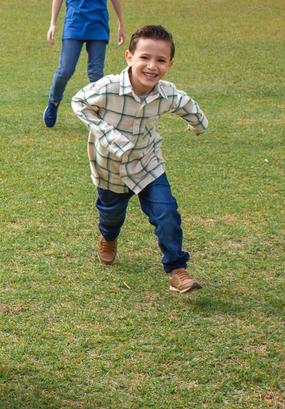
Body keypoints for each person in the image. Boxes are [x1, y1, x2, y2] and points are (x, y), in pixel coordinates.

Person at [70, 24, 208, 293]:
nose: (151, 66)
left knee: (167, 213)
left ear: (170, 64)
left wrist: (198, 124)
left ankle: (177, 270)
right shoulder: (108, 87)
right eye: (144, 57)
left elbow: (184, 103)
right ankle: (108, 237)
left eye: (160, 60)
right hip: (109, 168)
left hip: (148, 164)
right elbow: (79, 102)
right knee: (111, 216)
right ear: (129, 57)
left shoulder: (165, 93)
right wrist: (109, 137)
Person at [43, 0, 126, 128]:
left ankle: (95, 115)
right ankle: (53, 103)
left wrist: (120, 24)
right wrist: (52, 23)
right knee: (65, 70)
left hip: (98, 25)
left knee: (96, 74)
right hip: (74, 24)